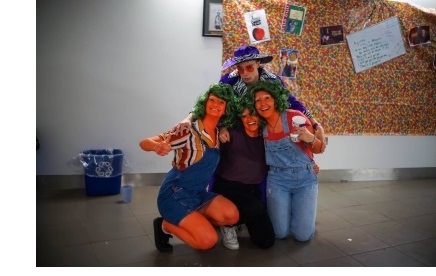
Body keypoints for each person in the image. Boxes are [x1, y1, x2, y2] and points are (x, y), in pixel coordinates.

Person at [139, 83, 239, 252]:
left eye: (221, 103)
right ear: (204, 104)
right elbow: (144, 142)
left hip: (198, 194)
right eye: (212, 100)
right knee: (208, 241)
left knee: (232, 215)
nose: (215, 105)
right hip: (174, 194)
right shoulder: (187, 131)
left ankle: (192, 220)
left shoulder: (217, 133)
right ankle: (166, 225)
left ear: (226, 109)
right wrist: (157, 147)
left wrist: (223, 127)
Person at [173, 45, 326, 152]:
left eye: (249, 67)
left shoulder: (272, 81)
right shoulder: (229, 80)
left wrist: (315, 123)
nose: (244, 73)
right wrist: (188, 118)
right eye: (240, 68)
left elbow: (292, 102)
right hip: (236, 130)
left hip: (264, 132)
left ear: (258, 64)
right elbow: (209, 102)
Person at [247, 80, 325, 241]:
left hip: (305, 179)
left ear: (276, 99)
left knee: (303, 236)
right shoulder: (259, 125)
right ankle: (292, 213)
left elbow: (318, 149)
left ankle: (303, 219)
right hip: (277, 179)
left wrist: (311, 138)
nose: (263, 103)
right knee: (279, 233)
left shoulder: (294, 117)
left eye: (267, 98)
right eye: (258, 100)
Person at [211, 96, 275, 250]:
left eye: (252, 114)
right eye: (244, 116)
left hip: (252, 190)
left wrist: (310, 163)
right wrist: (221, 129)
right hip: (228, 188)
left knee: (266, 241)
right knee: (255, 208)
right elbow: (211, 126)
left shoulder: (266, 136)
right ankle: (227, 223)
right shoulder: (232, 133)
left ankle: (237, 219)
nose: (249, 119)